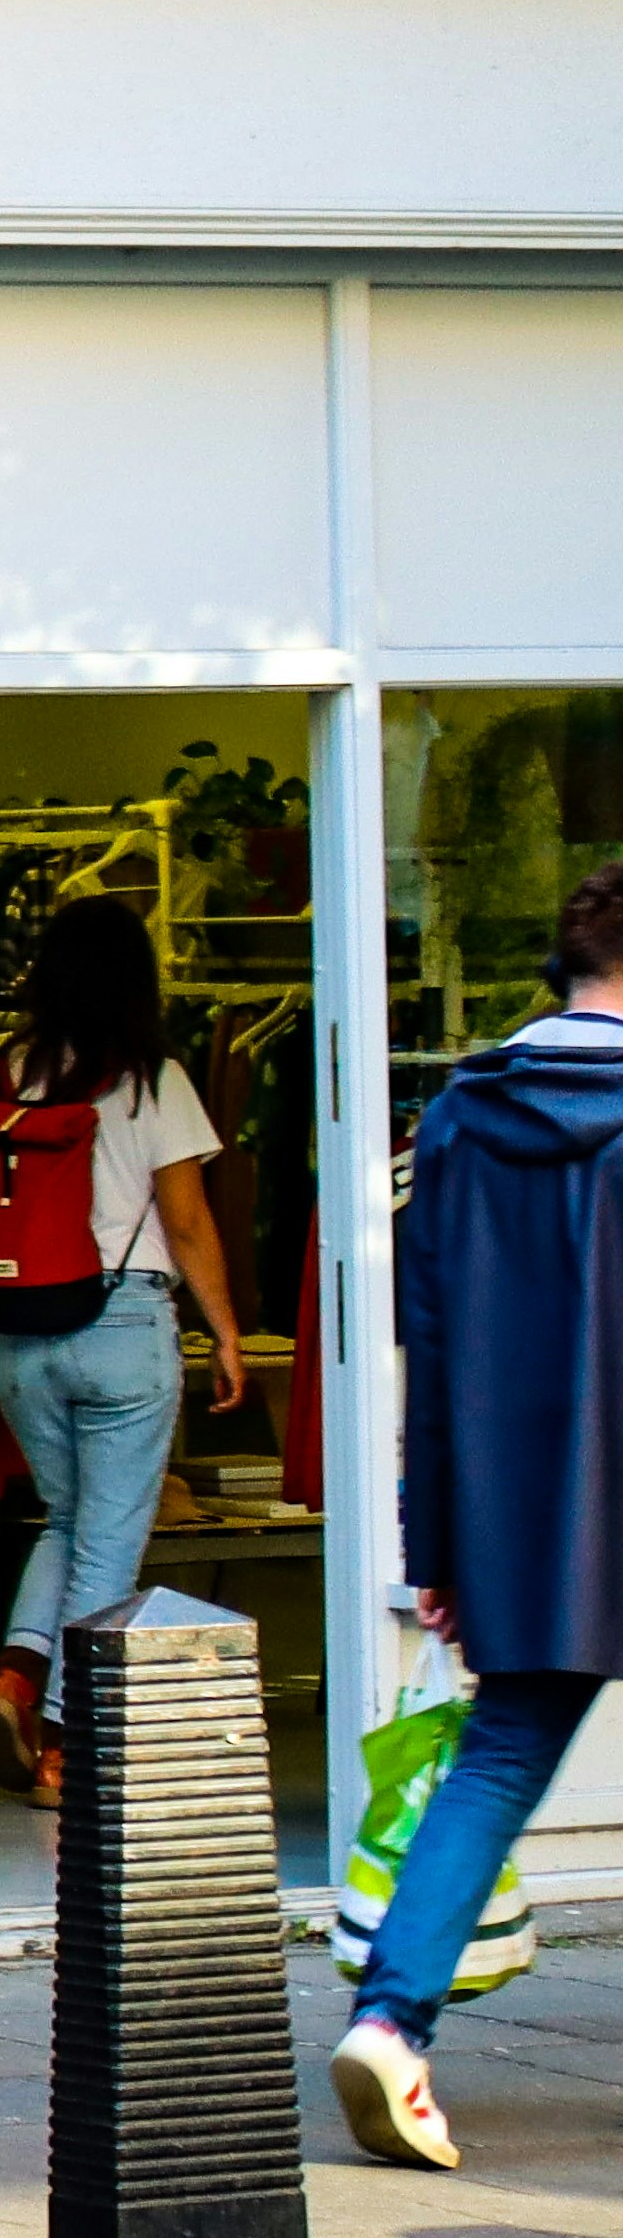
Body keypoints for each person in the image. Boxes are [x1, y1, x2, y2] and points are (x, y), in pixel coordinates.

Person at [333, 859, 623, 2171]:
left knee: (498, 1761)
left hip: (520, 1509)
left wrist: (432, 1540)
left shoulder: (456, 1117)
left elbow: (429, 1345)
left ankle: (391, 2026)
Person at [0, 898, 250, 1802]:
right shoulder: (151, 1080)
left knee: (66, 1521)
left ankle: (13, 1681)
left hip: (19, 1334)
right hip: (120, 1326)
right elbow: (186, 1222)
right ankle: (71, 1746)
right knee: (111, 1541)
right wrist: (225, 1332)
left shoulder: (4, 1072)